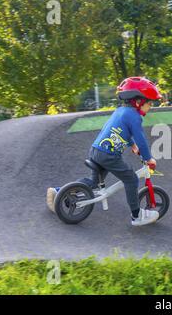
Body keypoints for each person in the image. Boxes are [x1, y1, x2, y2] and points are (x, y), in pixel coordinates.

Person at [47, 77, 161, 226]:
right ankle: (137, 216)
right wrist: (148, 158)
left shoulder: (121, 111)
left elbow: (116, 130)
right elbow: (142, 140)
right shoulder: (134, 117)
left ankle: (59, 191)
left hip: (96, 151)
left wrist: (131, 144)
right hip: (108, 155)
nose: (150, 106)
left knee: (94, 182)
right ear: (138, 102)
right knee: (131, 179)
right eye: (149, 102)